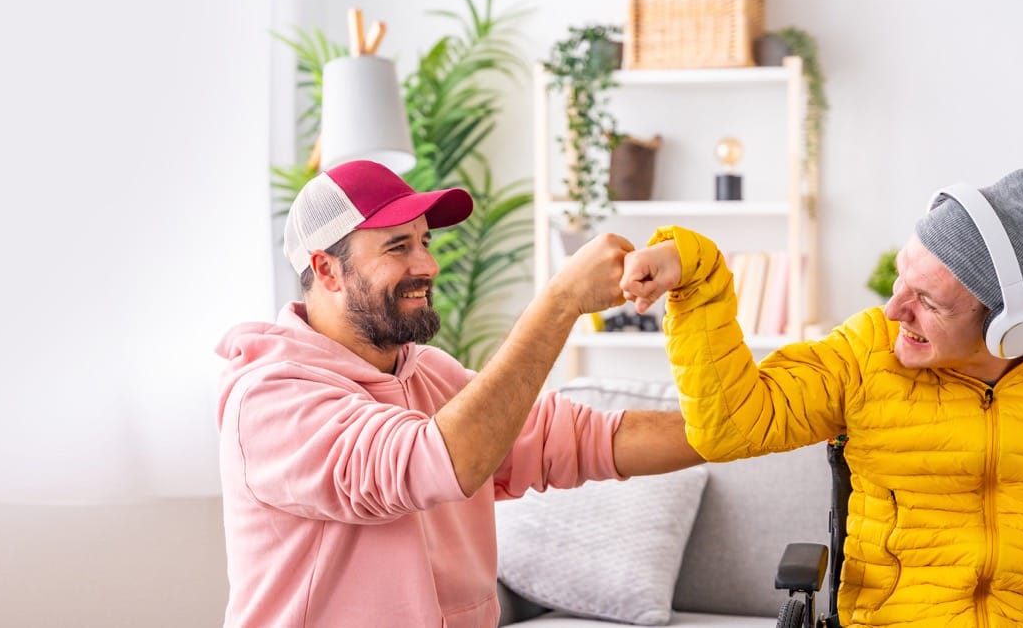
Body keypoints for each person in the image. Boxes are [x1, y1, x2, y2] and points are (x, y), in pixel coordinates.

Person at [620, 161, 1023, 627]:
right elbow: (730, 426)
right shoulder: (865, 353)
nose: (894, 311)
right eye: (900, 278)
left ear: (1008, 328)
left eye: (928, 302)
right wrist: (695, 278)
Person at [214, 159, 702, 627]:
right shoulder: (270, 398)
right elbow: (423, 464)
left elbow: (579, 438)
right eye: (397, 247)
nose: (428, 264)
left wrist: (727, 429)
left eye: (424, 242)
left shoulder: (431, 373)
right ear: (327, 271)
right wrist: (560, 302)